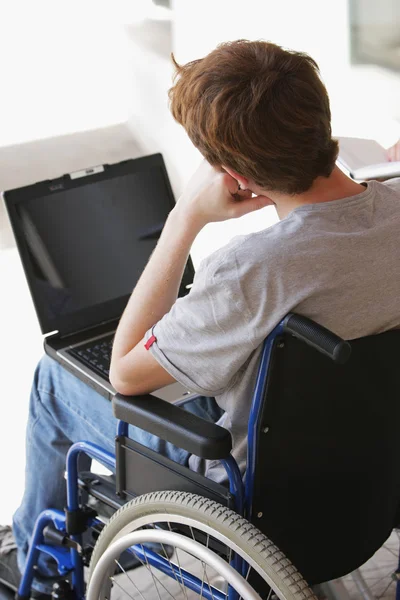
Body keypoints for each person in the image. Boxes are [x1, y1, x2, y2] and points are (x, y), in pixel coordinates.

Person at [1, 39, 400, 597]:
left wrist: (183, 219)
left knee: (52, 382)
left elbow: (124, 373)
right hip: (369, 480)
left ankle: (34, 572)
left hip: (251, 502)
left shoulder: (251, 272)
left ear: (233, 172)